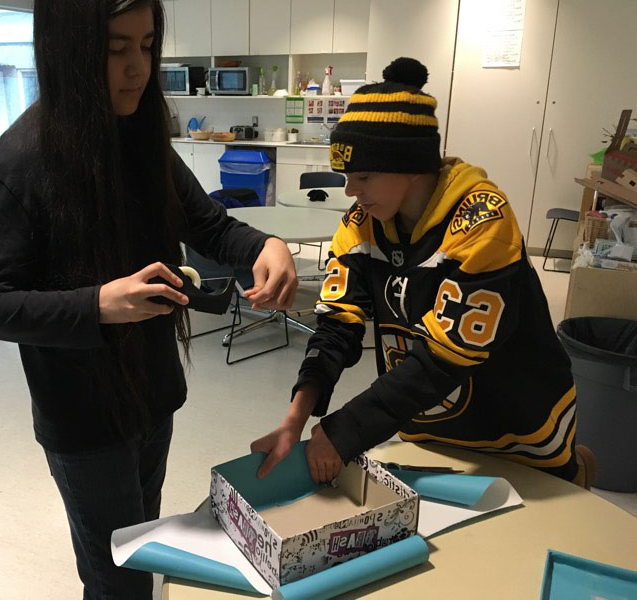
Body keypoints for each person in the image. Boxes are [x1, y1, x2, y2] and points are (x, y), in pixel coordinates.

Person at [0, 1, 297, 598]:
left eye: (146, 46)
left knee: (143, 553)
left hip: (151, 393)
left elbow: (210, 224)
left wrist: (266, 243)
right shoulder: (22, 159)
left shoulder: (138, 135)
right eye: (116, 49)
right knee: (117, 581)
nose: (137, 68)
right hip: (83, 415)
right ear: (69, 50)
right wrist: (96, 304)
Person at [252, 57, 596, 490]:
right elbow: (337, 326)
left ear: (411, 166)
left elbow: (444, 357)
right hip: (429, 419)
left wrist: (345, 432)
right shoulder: (361, 223)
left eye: (363, 176)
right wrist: (295, 418)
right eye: (345, 177)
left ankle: (579, 470)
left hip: (521, 424)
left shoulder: (484, 221)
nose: (350, 192)